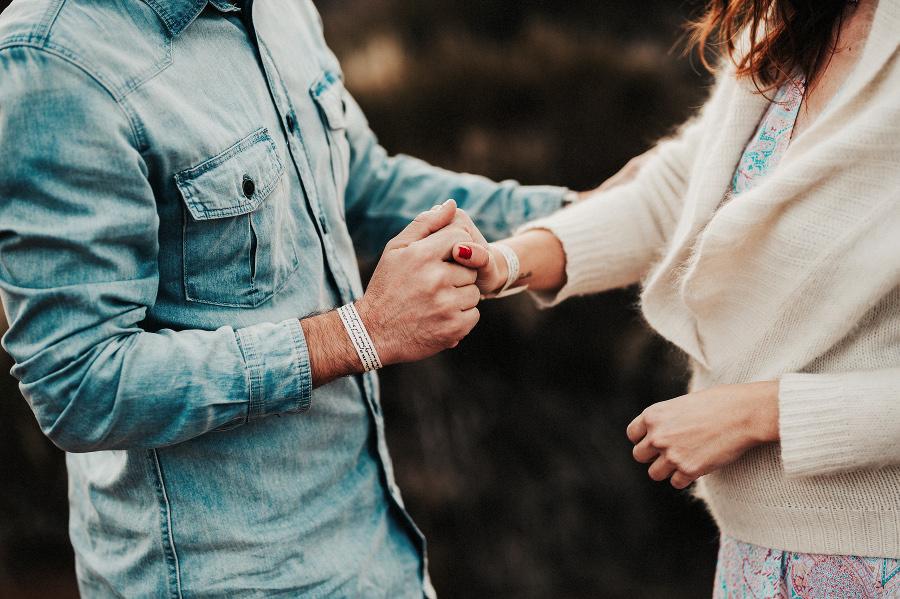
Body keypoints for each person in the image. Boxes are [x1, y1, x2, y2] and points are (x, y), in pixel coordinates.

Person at [0, 0, 593, 596]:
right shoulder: (54, 59)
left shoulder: (278, 8)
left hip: (377, 553)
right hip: (221, 580)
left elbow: (359, 183)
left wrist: (580, 218)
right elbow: (79, 384)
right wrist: (360, 333)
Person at [452, 0, 900, 595]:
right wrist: (505, 263)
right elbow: (677, 188)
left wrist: (760, 412)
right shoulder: (788, 24)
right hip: (754, 554)